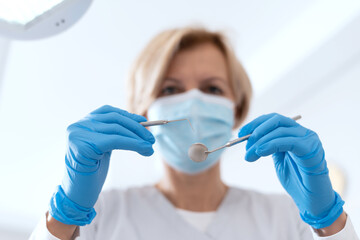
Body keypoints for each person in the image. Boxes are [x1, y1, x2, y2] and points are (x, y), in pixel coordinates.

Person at [30, 27, 358, 240]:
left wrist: (329, 218)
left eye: (212, 88)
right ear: (142, 112)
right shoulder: (97, 219)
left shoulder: (290, 221)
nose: (193, 103)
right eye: (171, 88)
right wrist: (65, 214)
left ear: (237, 109)